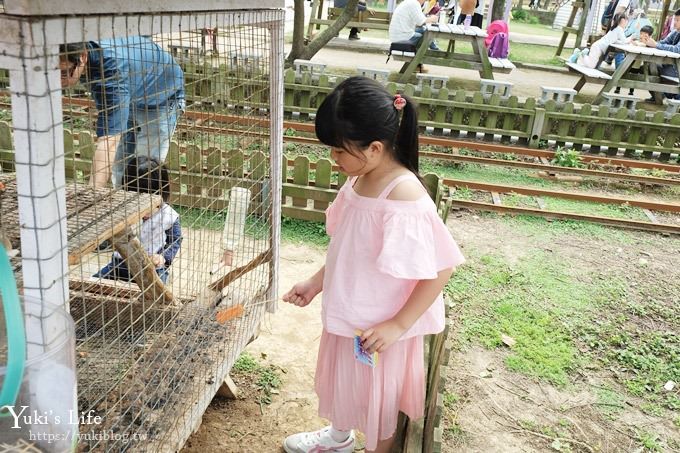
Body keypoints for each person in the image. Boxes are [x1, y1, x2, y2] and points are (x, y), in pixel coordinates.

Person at [281, 77, 465, 453]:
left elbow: (441, 267)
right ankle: (339, 437)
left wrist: (398, 324)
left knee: (380, 401)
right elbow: (348, 248)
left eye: (338, 151)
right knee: (348, 384)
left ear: (375, 147)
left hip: (381, 329)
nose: (334, 159)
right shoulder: (360, 178)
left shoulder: (403, 194)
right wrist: (317, 282)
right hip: (352, 314)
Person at [60, 37, 185, 189]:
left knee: (145, 172)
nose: (58, 81)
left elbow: (108, 143)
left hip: (161, 96)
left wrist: (90, 196)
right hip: (132, 90)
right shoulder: (84, 58)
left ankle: (149, 210)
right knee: (120, 165)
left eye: (64, 73)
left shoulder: (113, 73)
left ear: (83, 57)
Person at [94, 157, 182, 284]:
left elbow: (175, 240)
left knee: (159, 291)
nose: (143, 209)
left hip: (151, 268)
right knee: (94, 281)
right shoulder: (124, 210)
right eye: (136, 199)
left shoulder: (169, 216)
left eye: (148, 200)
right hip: (121, 263)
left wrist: (163, 257)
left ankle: (166, 278)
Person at [642, 8, 680, 101]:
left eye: (678, 20)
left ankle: (669, 96)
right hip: (671, 66)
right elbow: (663, 43)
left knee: (652, 67)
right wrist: (648, 42)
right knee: (648, 66)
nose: (674, 22)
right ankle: (658, 96)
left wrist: (656, 45)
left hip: (677, 69)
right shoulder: (675, 32)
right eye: (675, 19)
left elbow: (677, 49)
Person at [614, 23, 653, 96]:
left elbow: (640, 45)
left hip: (636, 65)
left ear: (649, 36)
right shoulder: (638, 41)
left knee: (633, 78)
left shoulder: (646, 45)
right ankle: (618, 88)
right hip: (628, 62)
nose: (641, 36)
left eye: (644, 35)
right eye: (641, 33)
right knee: (622, 75)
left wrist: (633, 43)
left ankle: (631, 91)